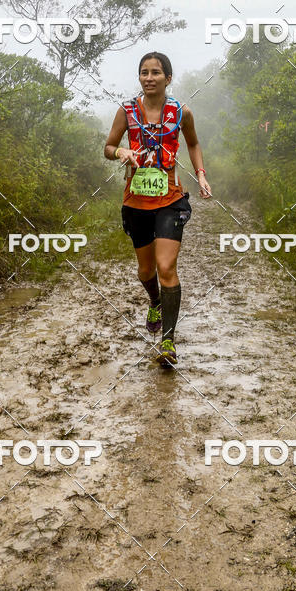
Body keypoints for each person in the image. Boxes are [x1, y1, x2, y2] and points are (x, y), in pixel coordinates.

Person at [104, 51, 212, 367]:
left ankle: (168, 342)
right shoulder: (126, 111)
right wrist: (120, 150)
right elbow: (108, 147)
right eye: (144, 72)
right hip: (136, 201)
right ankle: (154, 300)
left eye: (156, 72)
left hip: (170, 199)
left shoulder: (181, 112)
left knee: (166, 268)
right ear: (139, 77)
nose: (149, 77)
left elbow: (193, 143)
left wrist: (201, 174)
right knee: (146, 271)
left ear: (168, 78)